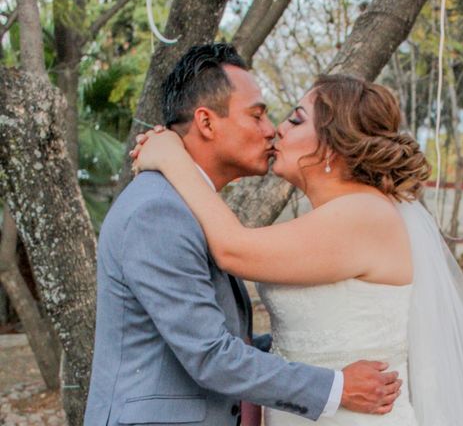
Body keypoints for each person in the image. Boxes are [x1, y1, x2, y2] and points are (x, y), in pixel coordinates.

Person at [132, 71, 463, 425]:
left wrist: (174, 159)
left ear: (331, 145)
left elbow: (233, 250)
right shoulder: (334, 216)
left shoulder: (364, 215)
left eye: (295, 119)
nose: (277, 131)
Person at [83, 43, 403, 426]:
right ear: (206, 122)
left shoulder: (193, 205)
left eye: (289, 120)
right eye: (257, 115)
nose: (272, 131)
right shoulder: (159, 210)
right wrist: (335, 385)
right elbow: (210, 355)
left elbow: (223, 329)